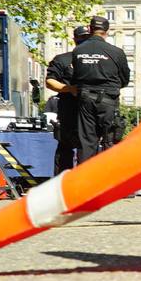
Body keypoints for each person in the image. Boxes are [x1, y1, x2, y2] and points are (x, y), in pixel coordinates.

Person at [68, 15, 131, 164]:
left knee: (87, 141)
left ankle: (85, 181)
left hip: (85, 99)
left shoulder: (78, 51)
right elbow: (125, 79)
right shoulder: (116, 52)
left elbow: (76, 77)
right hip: (109, 100)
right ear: (107, 31)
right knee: (110, 140)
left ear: (90, 29)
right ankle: (109, 178)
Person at [44, 24, 90, 174]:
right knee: (65, 149)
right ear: (75, 39)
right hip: (69, 110)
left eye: (87, 38)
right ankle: (62, 184)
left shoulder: (99, 59)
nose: (84, 41)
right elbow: (50, 81)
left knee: (88, 149)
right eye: (82, 38)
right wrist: (69, 89)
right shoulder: (63, 59)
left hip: (91, 111)